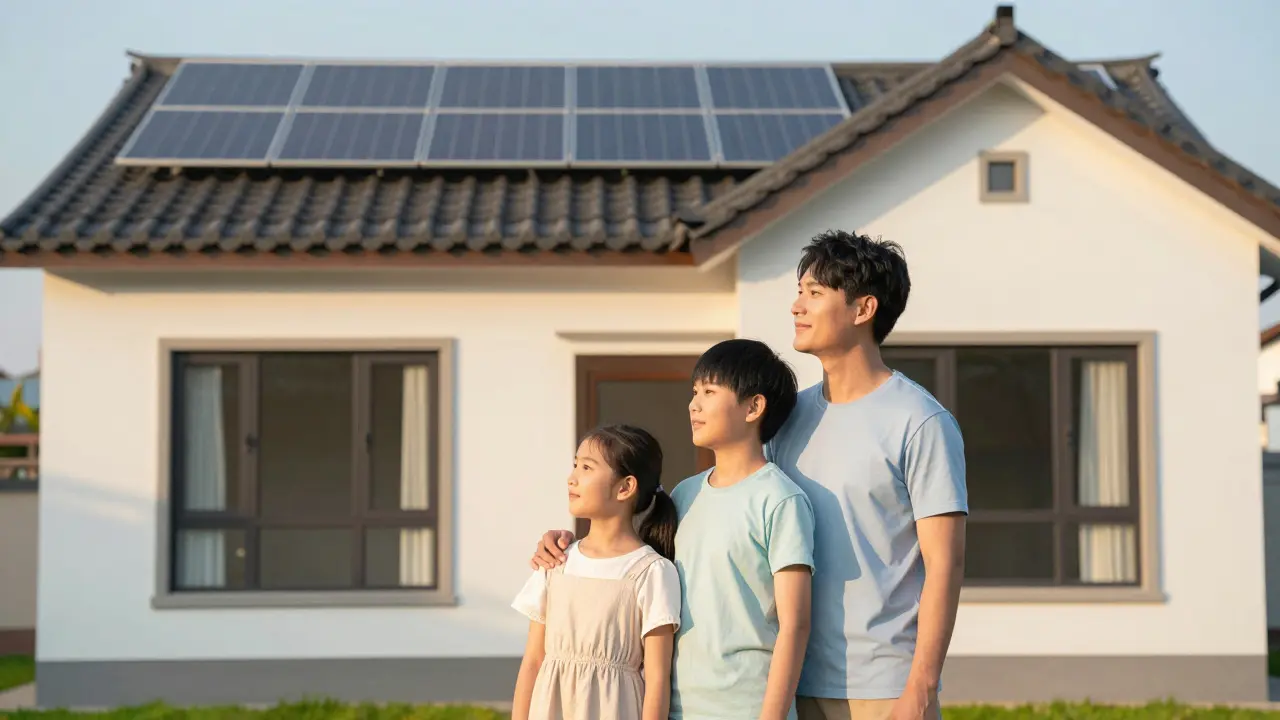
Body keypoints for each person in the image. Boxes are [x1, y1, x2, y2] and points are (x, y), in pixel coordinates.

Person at [535, 231, 967, 720]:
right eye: (798, 291)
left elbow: (945, 566)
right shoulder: (789, 418)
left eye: (814, 293)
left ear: (863, 309)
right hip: (787, 685)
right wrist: (569, 545)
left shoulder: (921, 422)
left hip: (882, 685)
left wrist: (921, 687)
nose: (796, 306)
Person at [535, 338, 816, 720]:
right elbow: (617, 545)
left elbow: (795, 625)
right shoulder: (686, 493)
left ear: (754, 407)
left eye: (709, 391)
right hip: (675, 708)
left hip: (745, 708)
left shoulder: (780, 501)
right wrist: (560, 543)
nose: (693, 404)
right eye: (694, 391)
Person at [511, 424, 681, 720]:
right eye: (575, 465)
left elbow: (657, 680)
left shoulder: (651, 572)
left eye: (587, 467)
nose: (572, 478)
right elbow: (533, 662)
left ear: (625, 487)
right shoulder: (556, 562)